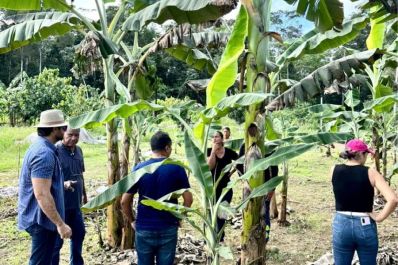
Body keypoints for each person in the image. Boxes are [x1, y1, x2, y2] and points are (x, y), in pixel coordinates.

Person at [121, 131, 193, 265]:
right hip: (168, 227)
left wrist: (132, 221)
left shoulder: (139, 168)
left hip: (144, 227)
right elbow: (188, 199)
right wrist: (179, 217)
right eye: (170, 147)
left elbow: (124, 201)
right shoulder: (176, 168)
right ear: (166, 148)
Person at [18, 109, 72, 265]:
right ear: (54, 129)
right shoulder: (44, 154)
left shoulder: (43, 148)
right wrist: (60, 224)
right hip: (41, 221)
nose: (65, 131)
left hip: (43, 219)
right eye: (63, 128)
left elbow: (43, 184)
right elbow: (41, 194)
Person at [331, 139, 398, 265]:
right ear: (361, 154)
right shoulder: (371, 173)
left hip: (341, 224)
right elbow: (393, 199)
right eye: (366, 154)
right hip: (364, 224)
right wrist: (379, 218)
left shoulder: (334, 170)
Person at [52, 127, 87, 265]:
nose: (73, 138)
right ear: (63, 134)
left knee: (79, 234)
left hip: (75, 204)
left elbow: (81, 174)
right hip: (60, 205)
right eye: (70, 135)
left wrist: (84, 194)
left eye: (76, 135)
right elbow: (49, 180)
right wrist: (64, 184)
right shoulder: (55, 151)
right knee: (56, 243)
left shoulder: (79, 151)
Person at [207, 130, 238, 241]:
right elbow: (210, 167)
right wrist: (213, 152)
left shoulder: (229, 152)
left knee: (222, 213)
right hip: (211, 188)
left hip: (225, 187)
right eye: (213, 137)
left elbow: (240, 161)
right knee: (212, 213)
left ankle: (220, 237)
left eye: (217, 137)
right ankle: (212, 236)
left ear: (222, 139)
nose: (214, 139)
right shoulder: (209, 151)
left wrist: (231, 172)